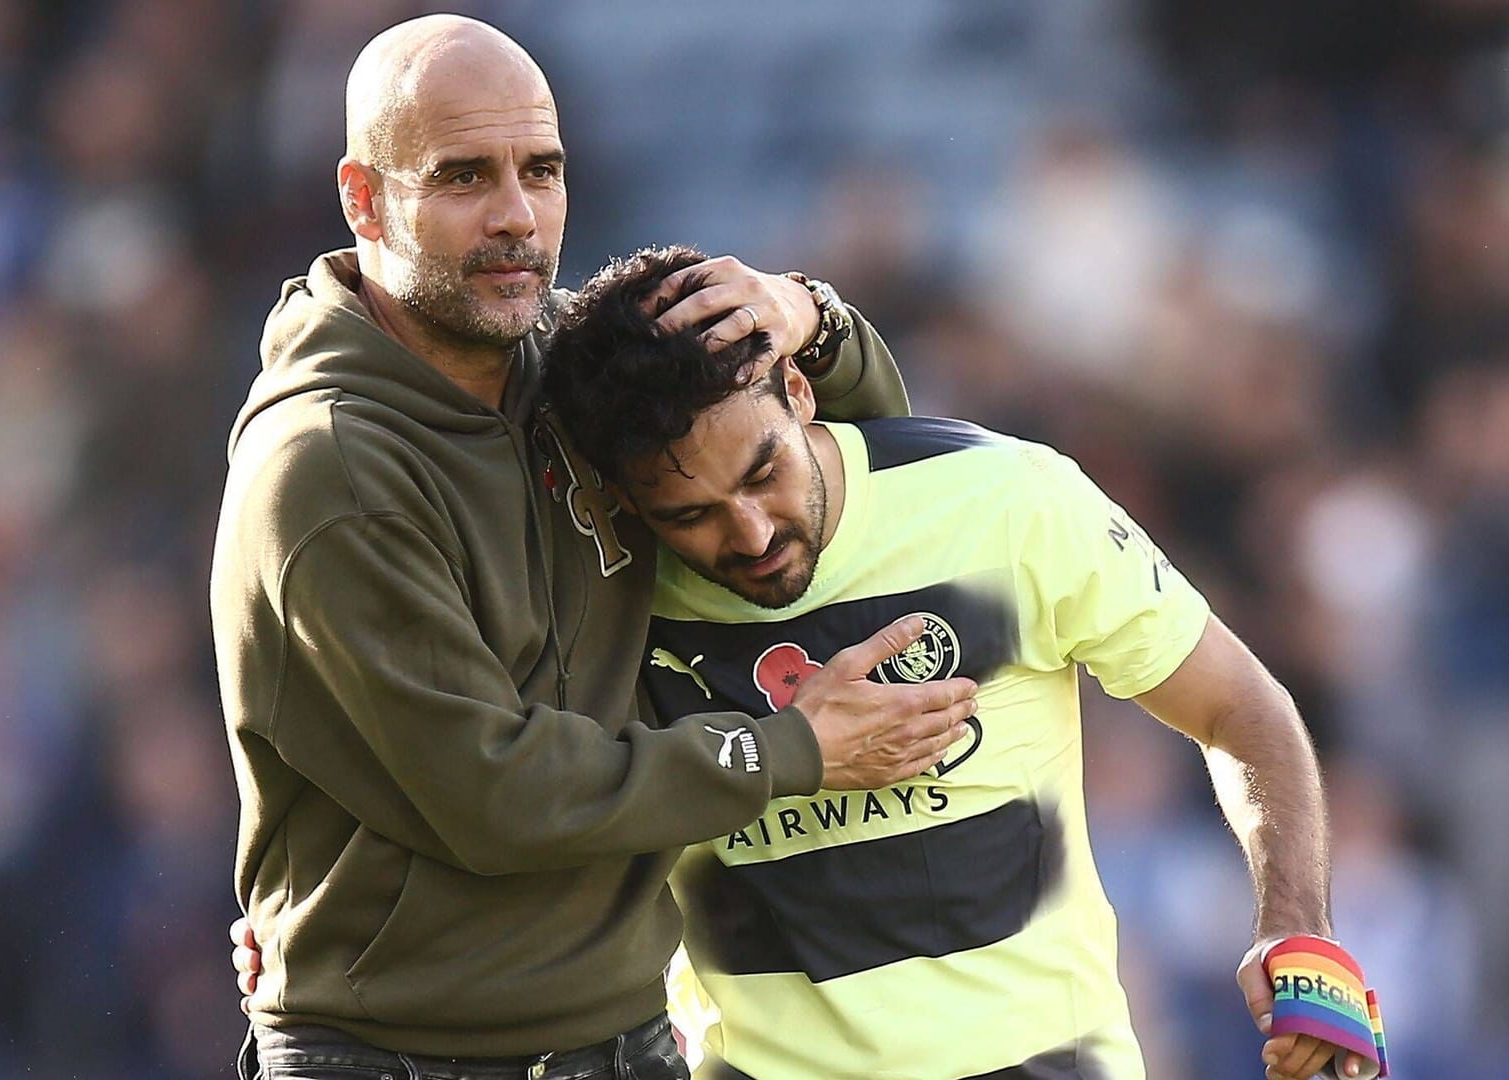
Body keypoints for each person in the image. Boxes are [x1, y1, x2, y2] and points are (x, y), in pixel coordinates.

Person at [211, 15, 977, 1080]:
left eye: (542, 169)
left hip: (630, 1038)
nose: (517, 215)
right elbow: (498, 794)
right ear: (363, 198)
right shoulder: (329, 468)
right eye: (465, 177)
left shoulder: (571, 371)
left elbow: (852, 449)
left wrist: (804, 312)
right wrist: (793, 750)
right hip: (403, 1056)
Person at [535, 245, 1364, 1080]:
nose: (749, 533)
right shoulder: (607, 594)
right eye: (691, 515)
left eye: (764, 472)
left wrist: (1295, 926)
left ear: (797, 390)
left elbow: (1239, 708)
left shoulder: (1006, 499)